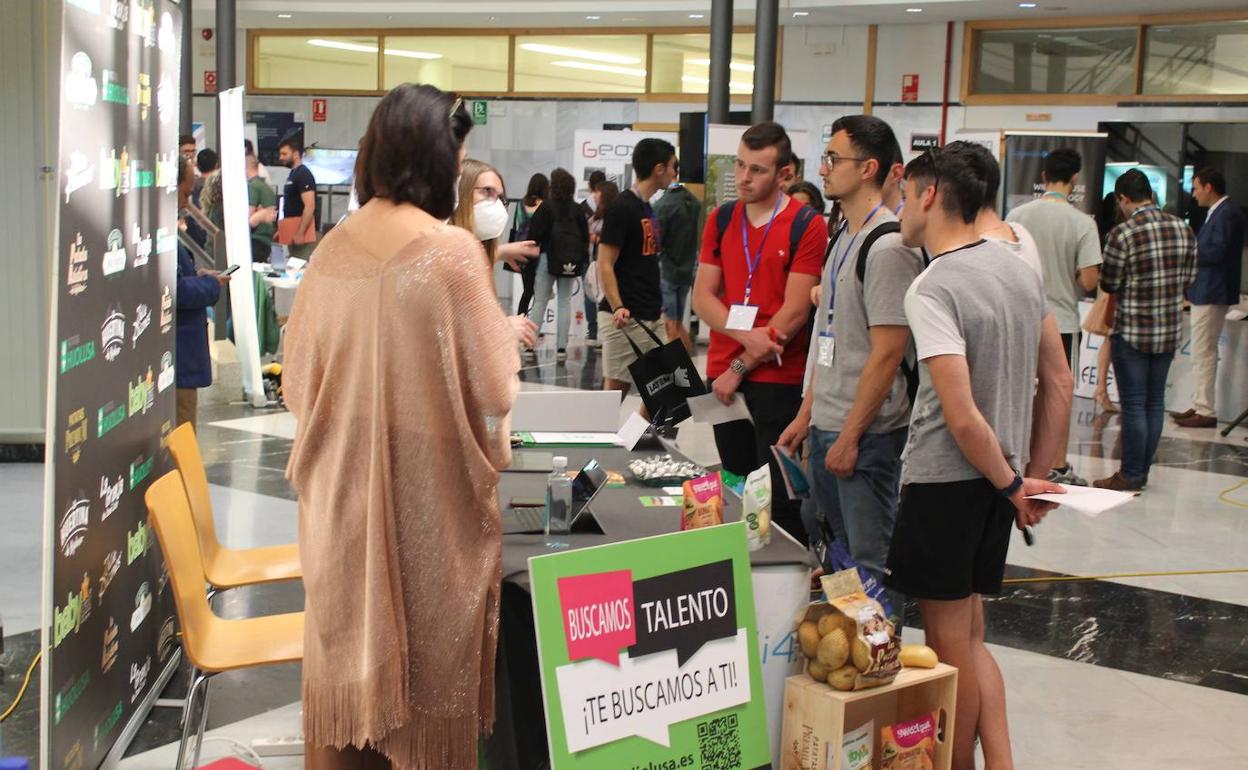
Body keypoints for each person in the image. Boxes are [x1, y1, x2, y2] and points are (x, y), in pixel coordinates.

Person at [283, 84, 519, 770]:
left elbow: (297, 386)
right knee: (424, 691)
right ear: (439, 158)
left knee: (346, 691)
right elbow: (497, 386)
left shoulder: (332, 249)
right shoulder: (450, 254)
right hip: (428, 510)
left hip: (338, 510)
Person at [885, 148, 1071, 770]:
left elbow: (961, 415)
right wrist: (1022, 480)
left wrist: (1015, 483)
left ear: (932, 195)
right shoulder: (1016, 270)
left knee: (946, 648)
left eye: (908, 195)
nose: (903, 209)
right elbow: (1055, 380)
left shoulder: (933, 285)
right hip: (995, 486)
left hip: (949, 482)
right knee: (968, 636)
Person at [777, 115, 924, 620]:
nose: (824, 168)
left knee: (868, 563)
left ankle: (879, 672)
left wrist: (851, 435)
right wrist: (808, 413)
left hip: (865, 437)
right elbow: (830, 338)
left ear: (869, 168)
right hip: (828, 425)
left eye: (834, 159)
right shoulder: (843, 237)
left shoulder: (887, 246)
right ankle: (849, 665)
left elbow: (887, 353)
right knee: (835, 558)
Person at [693, 121, 827, 547]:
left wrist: (744, 358)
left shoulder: (807, 225)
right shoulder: (722, 217)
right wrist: (745, 336)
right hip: (724, 375)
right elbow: (703, 297)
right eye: (740, 165)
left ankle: (781, 588)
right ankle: (738, 579)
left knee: (776, 495)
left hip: (776, 377)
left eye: (757, 170)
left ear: (784, 174)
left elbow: (793, 312)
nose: (744, 178)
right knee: (732, 483)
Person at [1094, 170, 1197, 491]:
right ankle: (1141, 471)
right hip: (1167, 331)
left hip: (1133, 331)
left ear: (1124, 199)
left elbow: (1109, 283)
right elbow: (1190, 279)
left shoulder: (1122, 234)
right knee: (1154, 403)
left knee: (1134, 404)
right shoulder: (1183, 229)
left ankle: (1131, 473)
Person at [1006, 147, 1102, 485]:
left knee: (1017, 391)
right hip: (1060, 321)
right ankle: (1056, 464)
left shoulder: (1016, 216)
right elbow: (1090, 279)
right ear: (1075, 178)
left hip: (1018, 320)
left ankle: (1014, 457)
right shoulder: (1083, 223)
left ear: (1043, 176)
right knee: (1055, 393)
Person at [597, 138, 678, 395]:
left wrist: (658, 309)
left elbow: (644, 263)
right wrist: (618, 305)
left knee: (669, 390)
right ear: (659, 169)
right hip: (626, 317)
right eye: (673, 166)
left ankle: (643, 437)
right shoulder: (622, 207)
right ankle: (603, 435)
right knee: (616, 393)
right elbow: (605, 262)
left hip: (648, 313)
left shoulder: (646, 207)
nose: (676, 172)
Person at [1173, 167, 1245, 428]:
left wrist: (1191, 252)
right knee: (1202, 350)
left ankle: (1205, 409)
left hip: (1213, 289)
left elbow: (1218, 251)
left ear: (1209, 187)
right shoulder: (1219, 212)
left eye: (1196, 188)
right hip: (1207, 289)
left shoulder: (1227, 213)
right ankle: (1199, 402)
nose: (1193, 194)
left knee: (1203, 350)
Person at [451, 158, 540, 351]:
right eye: (486, 192)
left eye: (500, 196)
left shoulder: (476, 252)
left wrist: (500, 252)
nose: (496, 203)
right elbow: (444, 328)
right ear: (461, 192)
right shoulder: (442, 251)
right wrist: (503, 327)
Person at [174, 155, 229, 429]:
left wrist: (197, 276)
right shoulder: (162, 237)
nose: (187, 203)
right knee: (183, 434)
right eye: (184, 194)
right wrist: (209, 285)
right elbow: (177, 291)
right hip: (179, 358)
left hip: (179, 360)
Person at [526, 168, 589, 362]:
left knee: (540, 301)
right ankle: (561, 348)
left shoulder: (546, 208)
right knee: (564, 302)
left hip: (547, 258)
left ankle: (530, 345)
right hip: (569, 262)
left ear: (553, 187)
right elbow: (585, 238)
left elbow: (534, 234)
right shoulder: (578, 209)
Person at [655, 161, 702, 354]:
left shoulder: (663, 205)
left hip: (668, 269)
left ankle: (679, 371)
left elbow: (657, 242)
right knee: (676, 323)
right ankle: (687, 363)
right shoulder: (693, 201)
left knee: (670, 325)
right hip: (687, 269)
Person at [585, 180, 621, 349]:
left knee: (604, 298)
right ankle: (596, 332)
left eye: (598, 193)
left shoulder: (614, 218)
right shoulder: (595, 217)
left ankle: (604, 334)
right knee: (596, 298)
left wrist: (597, 239)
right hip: (595, 263)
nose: (595, 196)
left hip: (606, 265)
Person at [513, 173, 548, 318]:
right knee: (538, 291)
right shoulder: (545, 204)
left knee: (527, 290)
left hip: (521, 250)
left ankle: (520, 318)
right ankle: (533, 322)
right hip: (538, 250)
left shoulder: (521, 203)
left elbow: (515, 226)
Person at [279, 135, 318, 260]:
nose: (281, 158)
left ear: (296, 154)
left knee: (300, 268)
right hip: (293, 232)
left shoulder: (303, 174)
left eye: (284, 154)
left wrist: (301, 232)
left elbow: (310, 206)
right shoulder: (293, 174)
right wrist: (283, 229)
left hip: (303, 236)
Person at [246, 146, 277, 262]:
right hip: (266, 240)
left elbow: (249, 215)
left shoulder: (252, 186)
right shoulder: (267, 188)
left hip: (255, 239)